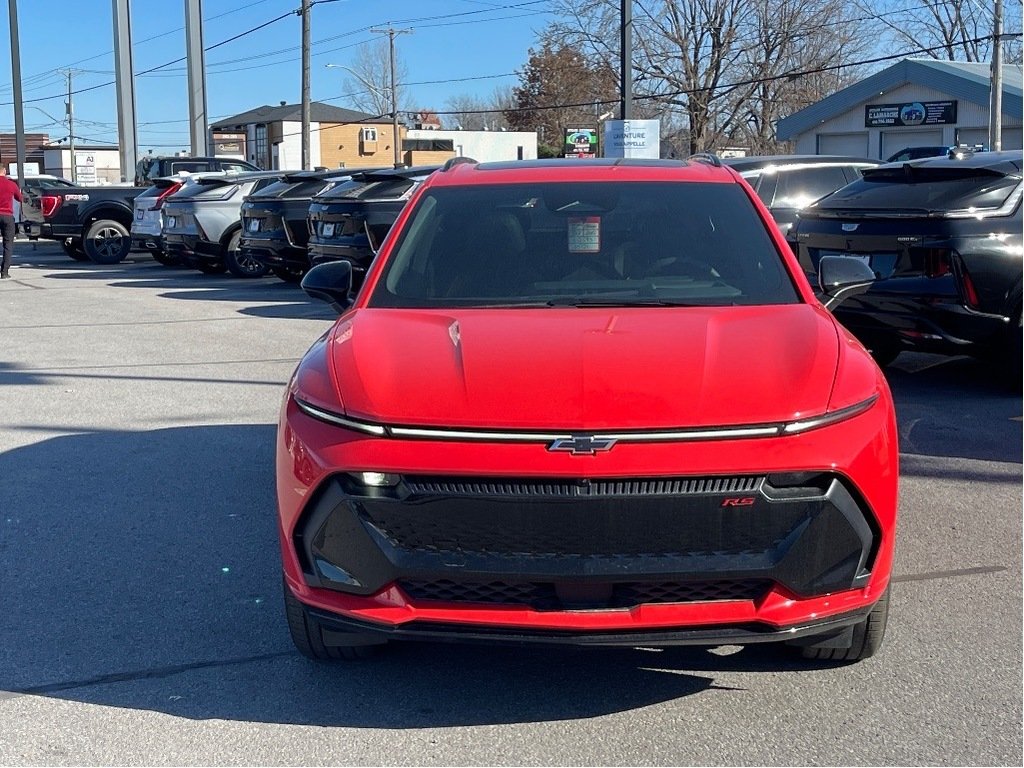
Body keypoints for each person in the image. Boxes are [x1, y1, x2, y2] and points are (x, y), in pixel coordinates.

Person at [0, 165, 23, 279]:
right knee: (8, 243)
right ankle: (4, 272)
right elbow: (20, 198)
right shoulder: (11, 184)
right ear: (4, 171)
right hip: (7, 216)